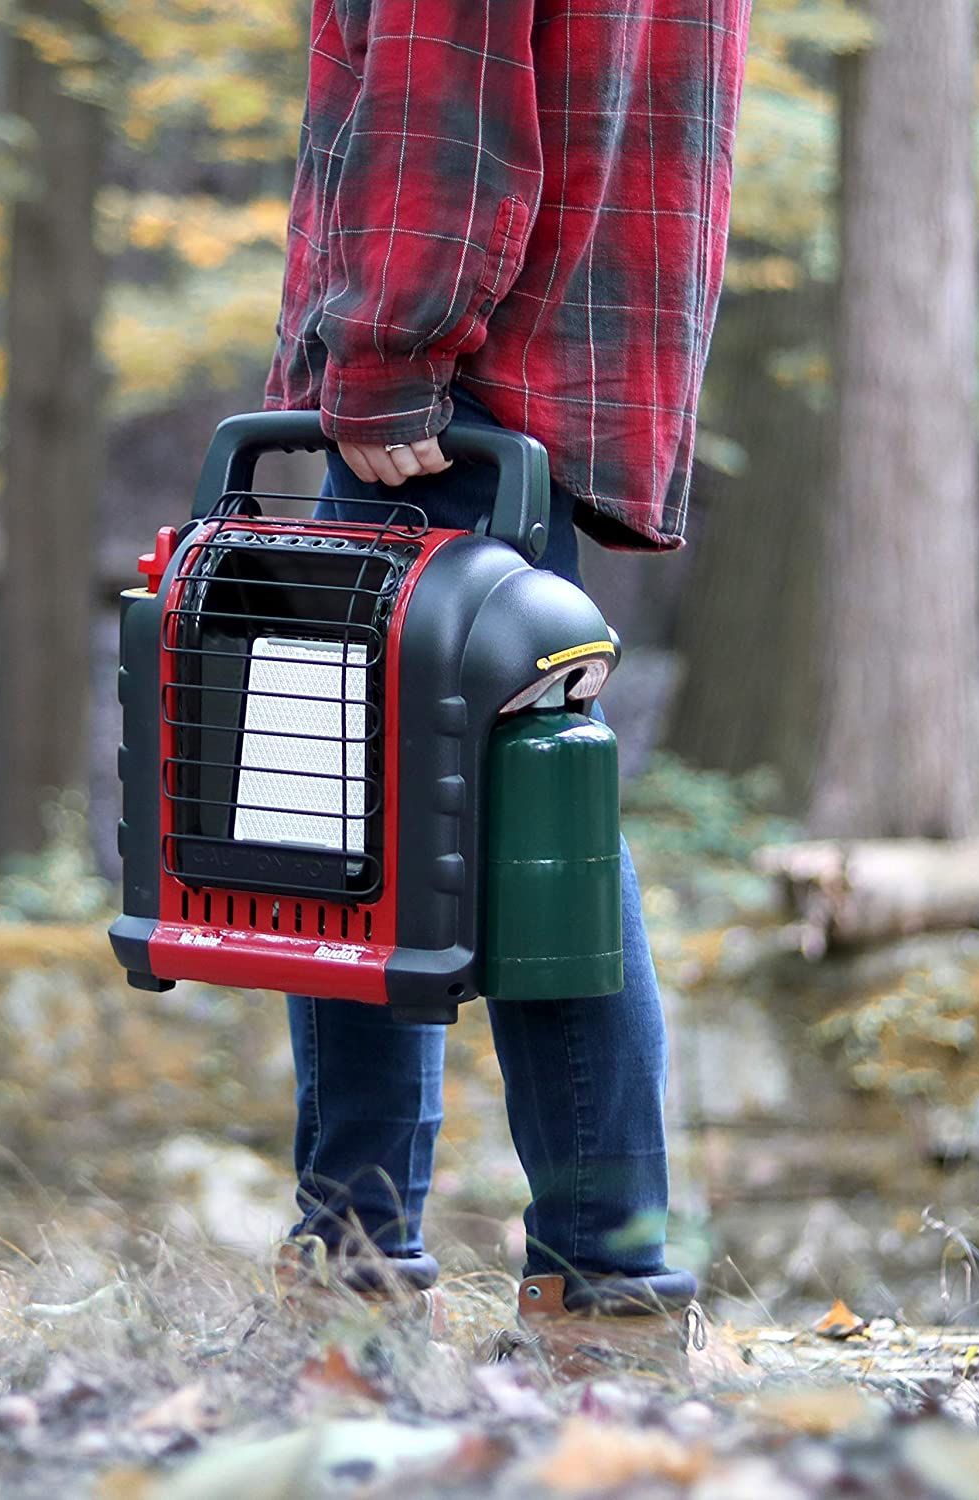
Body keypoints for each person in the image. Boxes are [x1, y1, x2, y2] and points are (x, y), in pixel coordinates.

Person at [264, 0, 753, 1365]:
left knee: (388, 824)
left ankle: (367, 1279)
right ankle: (588, 1293)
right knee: (533, 810)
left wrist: (382, 356)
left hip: (452, 389)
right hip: (551, 365)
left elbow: (444, 96)